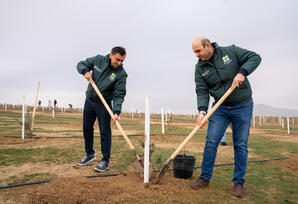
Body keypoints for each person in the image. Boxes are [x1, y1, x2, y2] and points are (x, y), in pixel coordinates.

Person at [191, 37, 261, 197]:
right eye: (194, 52)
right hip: (219, 108)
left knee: (240, 144)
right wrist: (202, 111)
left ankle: (239, 183)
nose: (196, 55)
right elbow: (201, 90)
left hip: (242, 105)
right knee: (211, 142)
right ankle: (204, 177)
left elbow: (255, 57)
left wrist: (242, 72)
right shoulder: (200, 68)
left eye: (198, 51)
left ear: (207, 46)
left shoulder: (230, 51)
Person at [76, 46, 128, 172]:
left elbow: (119, 94)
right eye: (118, 59)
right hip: (89, 100)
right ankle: (89, 154)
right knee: (87, 128)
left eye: (122, 61)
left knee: (105, 132)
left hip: (103, 105)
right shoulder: (99, 60)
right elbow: (81, 64)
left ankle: (105, 160)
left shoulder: (121, 74)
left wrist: (116, 112)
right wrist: (85, 71)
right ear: (111, 55)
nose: (119, 63)